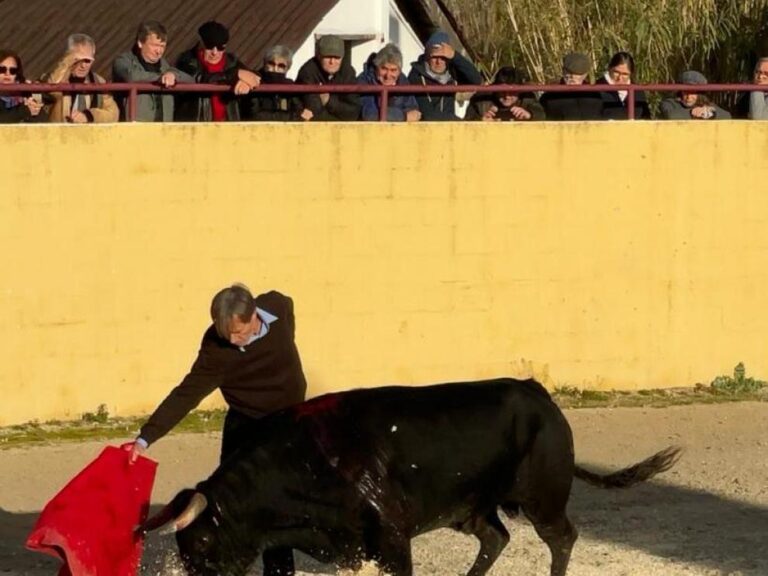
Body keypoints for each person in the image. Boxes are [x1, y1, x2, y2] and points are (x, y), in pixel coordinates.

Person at [127, 284, 307, 576]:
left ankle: (279, 571)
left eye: (237, 332)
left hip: (289, 424)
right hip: (246, 426)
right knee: (234, 501)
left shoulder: (276, 307)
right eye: (225, 333)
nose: (232, 340)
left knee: (280, 501)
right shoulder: (217, 349)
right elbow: (186, 393)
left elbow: (288, 303)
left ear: (253, 317)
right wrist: (146, 438)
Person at [174, 21, 260, 121]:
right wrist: (235, 75)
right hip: (197, 128)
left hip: (228, 128)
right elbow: (199, 78)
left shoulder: (231, 61)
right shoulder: (187, 60)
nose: (215, 52)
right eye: (210, 46)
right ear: (201, 42)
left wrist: (246, 83)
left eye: (220, 48)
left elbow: (257, 76)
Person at [111, 21, 194, 121]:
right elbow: (131, 76)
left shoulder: (164, 66)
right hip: (135, 131)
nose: (159, 51)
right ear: (140, 43)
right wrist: (160, 78)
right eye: (155, 45)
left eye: (162, 46)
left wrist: (173, 75)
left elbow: (190, 80)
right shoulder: (123, 61)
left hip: (163, 130)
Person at [41, 34, 119, 123]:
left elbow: (113, 113)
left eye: (88, 61)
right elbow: (53, 90)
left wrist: (89, 116)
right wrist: (66, 63)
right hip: (57, 134)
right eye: (78, 60)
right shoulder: (52, 77)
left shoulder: (98, 81)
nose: (83, 65)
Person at [407, 30, 483, 121]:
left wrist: (455, 56)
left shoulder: (451, 73)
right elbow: (428, 114)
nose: (439, 62)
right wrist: (459, 123)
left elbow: (476, 80)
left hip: (448, 129)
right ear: (427, 57)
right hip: (424, 130)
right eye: (435, 57)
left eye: (443, 58)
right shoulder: (416, 76)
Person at [295, 34, 360, 121]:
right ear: (319, 56)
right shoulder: (308, 72)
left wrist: (328, 101)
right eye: (328, 56)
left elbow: (353, 112)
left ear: (342, 57)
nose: (332, 62)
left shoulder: (348, 72)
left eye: (337, 57)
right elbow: (312, 109)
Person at [357, 43, 420, 121]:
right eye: (384, 69)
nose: (388, 75)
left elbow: (414, 112)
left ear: (399, 70)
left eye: (393, 70)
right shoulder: (364, 80)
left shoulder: (402, 79)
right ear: (376, 67)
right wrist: (404, 116)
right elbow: (370, 115)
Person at [241, 45, 302, 121]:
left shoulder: (290, 86)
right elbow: (254, 114)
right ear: (265, 64)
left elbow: (299, 111)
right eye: (271, 64)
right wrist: (290, 116)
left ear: (287, 69)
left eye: (281, 66)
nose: (275, 69)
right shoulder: (255, 81)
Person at [464, 66, 544, 121]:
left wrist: (530, 115)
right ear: (495, 89)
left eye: (512, 92)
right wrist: (480, 121)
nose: (507, 96)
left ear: (520, 91)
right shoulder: (482, 99)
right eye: (502, 91)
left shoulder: (527, 97)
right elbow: (465, 123)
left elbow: (542, 115)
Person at [540, 52, 604, 120]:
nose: (572, 77)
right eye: (569, 72)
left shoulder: (596, 96)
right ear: (563, 71)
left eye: (577, 73)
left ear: (585, 74)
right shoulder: (550, 97)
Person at [595, 51, 651, 120]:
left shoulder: (638, 92)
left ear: (631, 74)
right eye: (616, 72)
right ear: (609, 68)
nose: (620, 78)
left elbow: (646, 118)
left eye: (625, 74)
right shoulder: (596, 89)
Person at [659, 70, 731, 120]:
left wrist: (711, 113)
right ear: (680, 92)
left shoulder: (706, 105)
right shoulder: (670, 103)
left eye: (693, 92)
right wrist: (692, 112)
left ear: (700, 94)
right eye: (686, 92)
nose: (689, 97)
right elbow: (670, 116)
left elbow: (727, 116)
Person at [0, 49, 45, 123]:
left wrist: (35, 110)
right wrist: (24, 111)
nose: (7, 73)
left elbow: (43, 123)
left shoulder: (25, 91)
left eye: (12, 70)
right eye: (2, 69)